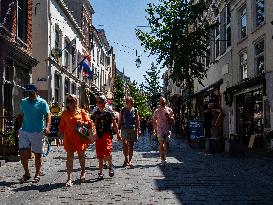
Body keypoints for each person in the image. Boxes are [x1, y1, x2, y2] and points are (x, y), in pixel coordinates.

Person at [17, 84, 51, 184]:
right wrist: (18, 128)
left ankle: (37, 174)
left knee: (37, 154)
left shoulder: (42, 102)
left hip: (38, 131)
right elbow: (21, 115)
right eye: (28, 93)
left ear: (36, 92)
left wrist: (47, 127)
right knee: (23, 152)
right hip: (25, 130)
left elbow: (48, 115)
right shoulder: (23, 102)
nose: (30, 95)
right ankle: (27, 173)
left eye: (31, 92)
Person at [58, 94, 94, 187]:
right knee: (69, 157)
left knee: (81, 156)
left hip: (79, 138)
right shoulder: (64, 113)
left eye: (72, 101)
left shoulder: (81, 111)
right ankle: (69, 178)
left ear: (76, 102)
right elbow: (61, 126)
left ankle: (83, 171)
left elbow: (89, 123)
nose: (70, 103)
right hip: (68, 138)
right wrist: (59, 137)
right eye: (68, 101)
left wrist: (82, 122)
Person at [91, 95, 121, 180]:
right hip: (98, 135)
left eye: (100, 102)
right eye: (97, 102)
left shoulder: (108, 112)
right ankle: (100, 172)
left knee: (108, 151)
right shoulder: (95, 113)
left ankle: (110, 166)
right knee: (100, 155)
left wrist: (118, 134)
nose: (99, 104)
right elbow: (91, 123)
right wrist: (92, 133)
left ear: (104, 102)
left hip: (107, 134)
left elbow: (114, 123)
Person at [119, 97, 141, 168]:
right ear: (127, 102)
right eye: (130, 101)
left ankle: (130, 160)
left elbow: (137, 120)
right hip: (124, 129)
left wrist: (139, 129)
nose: (132, 102)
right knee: (125, 145)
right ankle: (126, 159)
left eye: (132, 101)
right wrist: (118, 130)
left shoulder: (135, 110)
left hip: (132, 129)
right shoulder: (122, 110)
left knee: (131, 146)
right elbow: (120, 120)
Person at [152, 96, 174, 167]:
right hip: (160, 130)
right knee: (161, 144)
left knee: (166, 145)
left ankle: (164, 157)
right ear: (159, 102)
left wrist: (169, 117)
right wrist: (154, 128)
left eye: (163, 101)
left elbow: (173, 120)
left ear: (165, 102)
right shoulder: (157, 110)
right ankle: (162, 159)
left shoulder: (169, 110)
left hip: (167, 130)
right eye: (161, 101)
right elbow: (154, 120)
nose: (162, 102)